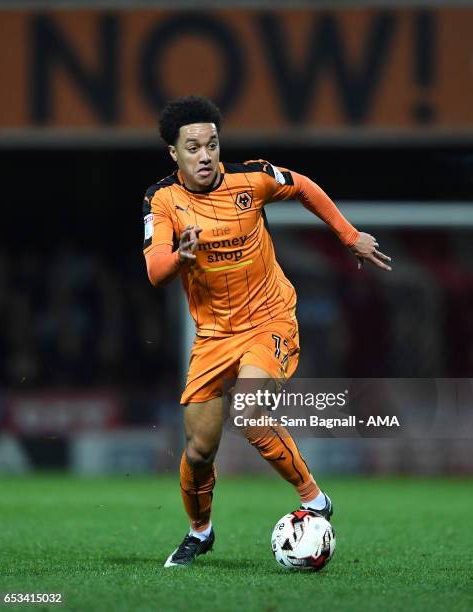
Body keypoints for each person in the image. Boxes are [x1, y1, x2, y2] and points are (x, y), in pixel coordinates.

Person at [142, 96, 392, 568]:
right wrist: (182, 257)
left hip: (269, 319)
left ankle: (315, 499)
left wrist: (348, 235)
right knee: (198, 450)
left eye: (212, 144)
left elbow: (303, 185)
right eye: (192, 147)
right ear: (173, 153)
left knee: (250, 412)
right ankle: (200, 532)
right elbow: (156, 270)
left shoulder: (251, 178)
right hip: (214, 335)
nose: (205, 155)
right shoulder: (162, 200)